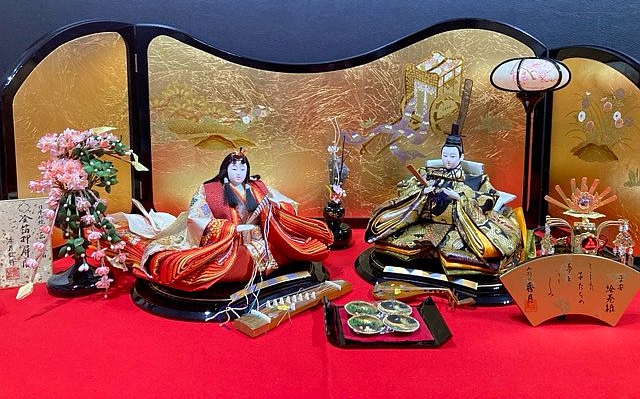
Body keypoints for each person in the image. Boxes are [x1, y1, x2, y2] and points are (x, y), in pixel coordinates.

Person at [118, 149, 333, 291]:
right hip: (226, 245)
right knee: (182, 266)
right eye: (234, 168)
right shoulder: (208, 190)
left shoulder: (258, 187)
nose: (239, 173)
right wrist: (232, 228)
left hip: (262, 243)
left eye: (242, 168)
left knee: (298, 249)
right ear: (225, 169)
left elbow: (286, 204)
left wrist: (272, 210)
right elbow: (195, 218)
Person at [365, 124, 525, 275]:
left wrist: (461, 197)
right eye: (445, 155)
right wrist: (422, 192)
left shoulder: (475, 178)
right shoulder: (428, 173)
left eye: (453, 156)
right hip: (426, 223)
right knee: (397, 243)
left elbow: (489, 198)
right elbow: (404, 188)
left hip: (460, 227)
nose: (448, 159)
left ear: (461, 157)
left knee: (482, 252)